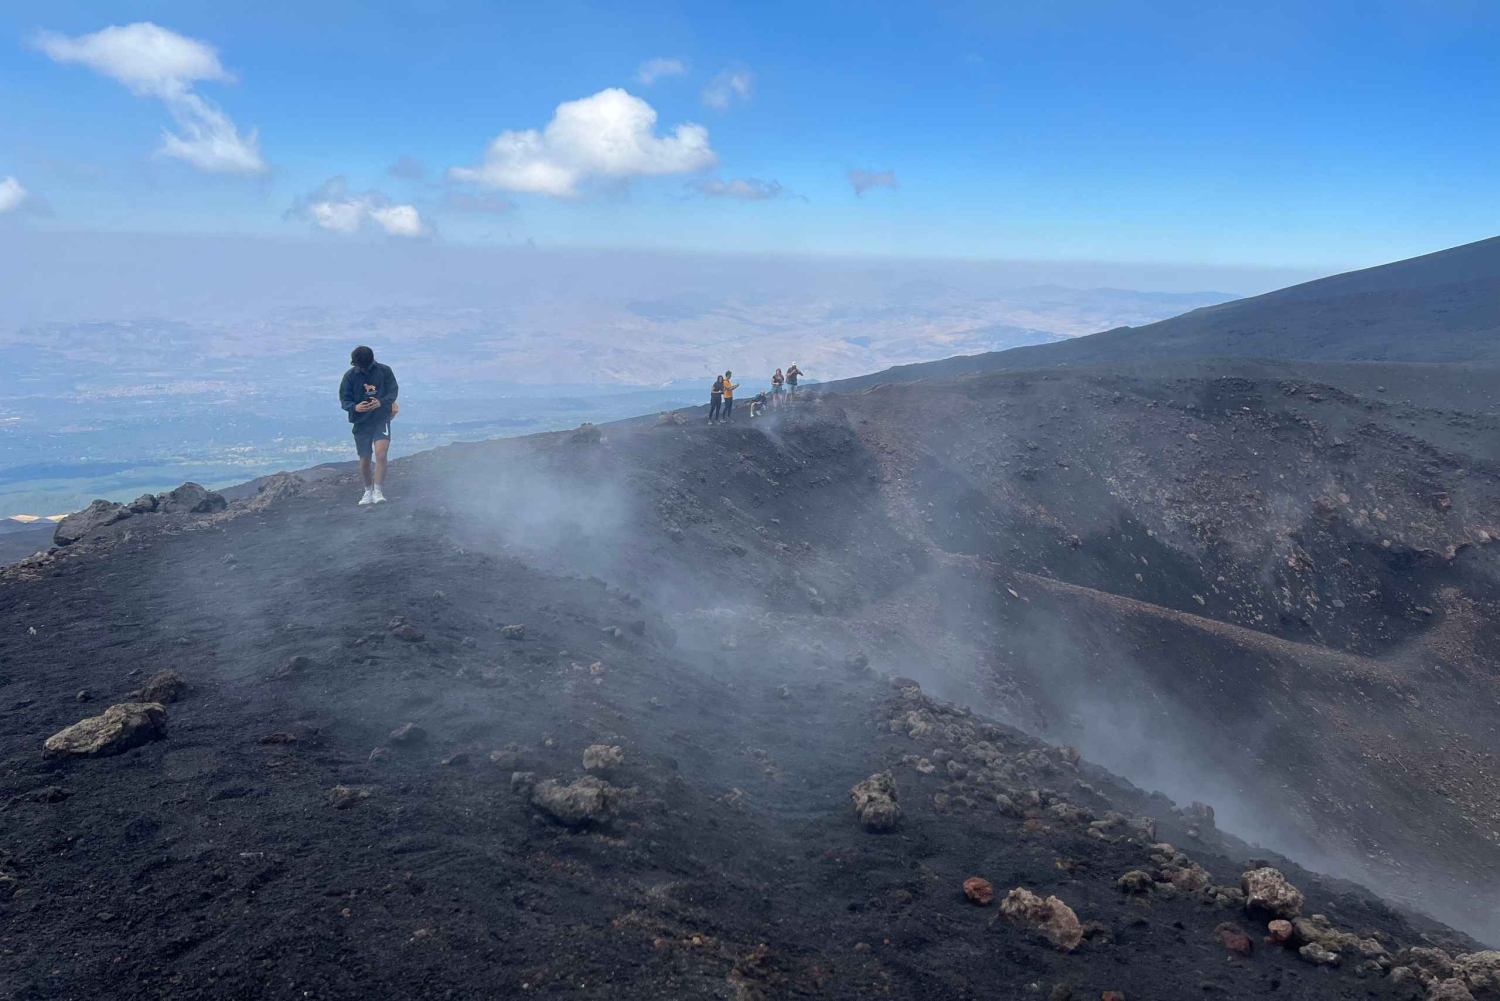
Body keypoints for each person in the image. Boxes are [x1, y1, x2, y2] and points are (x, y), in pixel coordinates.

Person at [339, 345, 399, 505]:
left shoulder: (384, 371)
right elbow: (344, 399)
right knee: (365, 458)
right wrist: (355, 407)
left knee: (381, 454)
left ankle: (378, 491)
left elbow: (393, 392)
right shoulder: (350, 376)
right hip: (361, 422)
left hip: (381, 419)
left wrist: (381, 402)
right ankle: (368, 491)